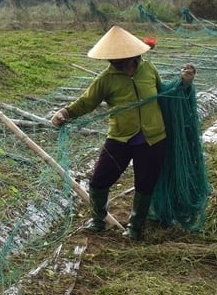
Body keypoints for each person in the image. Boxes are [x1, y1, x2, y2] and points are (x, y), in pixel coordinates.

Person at [50, 26, 196, 241]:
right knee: (100, 179)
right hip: (121, 137)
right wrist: (65, 112)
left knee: (145, 183)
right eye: (112, 59)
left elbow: (163, 92)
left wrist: (183, 83)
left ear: (132, 55)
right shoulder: (107, 79)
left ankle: (135, 227)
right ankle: (98, 220)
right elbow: (87, 102)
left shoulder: (148, 69)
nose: (116, 62)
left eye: (120, 58)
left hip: (153, 138)